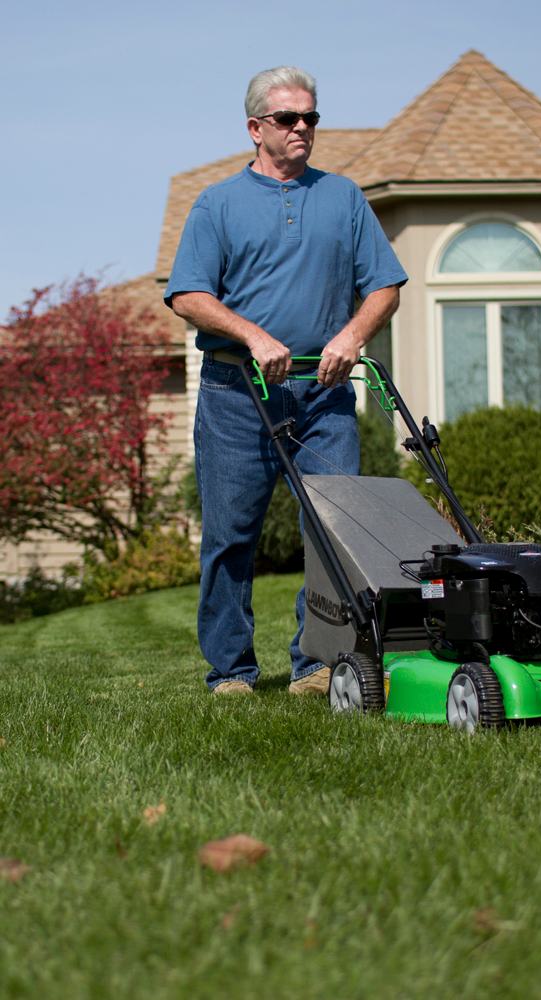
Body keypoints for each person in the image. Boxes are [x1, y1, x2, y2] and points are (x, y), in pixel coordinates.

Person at [165, 66, 407, 696]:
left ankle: (318, 661)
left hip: (323, 393)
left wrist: (353, 337)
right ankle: (232, 670)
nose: (302, 128)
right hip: (237, 393)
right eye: (287, 119)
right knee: (230, 533)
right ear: (255, 128)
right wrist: (252, 335)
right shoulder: (217, 203)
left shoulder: (343, 197)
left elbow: (384, 286)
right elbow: (188, 294)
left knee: (334, 528)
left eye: (311, 117)